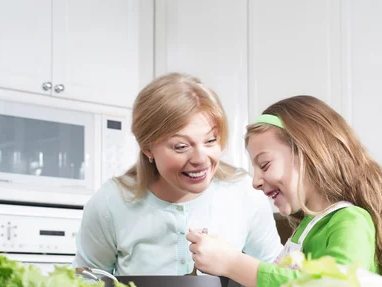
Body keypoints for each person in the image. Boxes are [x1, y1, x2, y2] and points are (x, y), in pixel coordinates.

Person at [187, 95, 382, 287]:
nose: (256, 182)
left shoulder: (350, 222)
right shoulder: (307, 229)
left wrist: (232, 263)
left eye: (265, 164)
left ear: (308, 153)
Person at [72, 73, 282, 276]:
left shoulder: (245, 192)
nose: (200, 159)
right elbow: (87, 281)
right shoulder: (111, 202)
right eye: (181, 146)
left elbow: (278, 278)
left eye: (210, 141)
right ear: (147, 148)